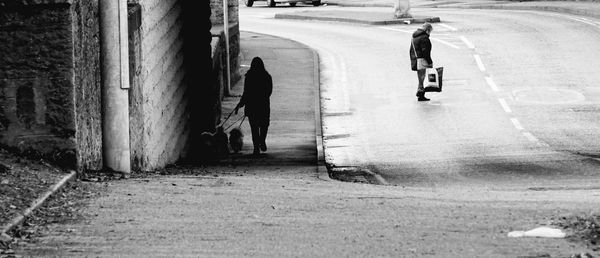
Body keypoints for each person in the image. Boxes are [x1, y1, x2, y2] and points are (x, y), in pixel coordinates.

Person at [235, 57, 273, 156]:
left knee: (254, 128)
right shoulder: (266, 76)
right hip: (263, 106)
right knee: (264, 125)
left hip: (252, 106)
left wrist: (241, 104)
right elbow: (269, 91)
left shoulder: (249, 76)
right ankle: (262, 140)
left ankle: (256, 147)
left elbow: (246, 92)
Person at [409, 22, 434, 102]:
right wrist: (430, 62)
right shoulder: (424, 38)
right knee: (423, 78)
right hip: (422, 59)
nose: (430, 33)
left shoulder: (415, 37)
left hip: (416, 59)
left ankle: (420, 93)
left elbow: (411, 50)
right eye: (430, 31)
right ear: (427, 30)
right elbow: (425, 51)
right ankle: (420, 93)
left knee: (420, 78)